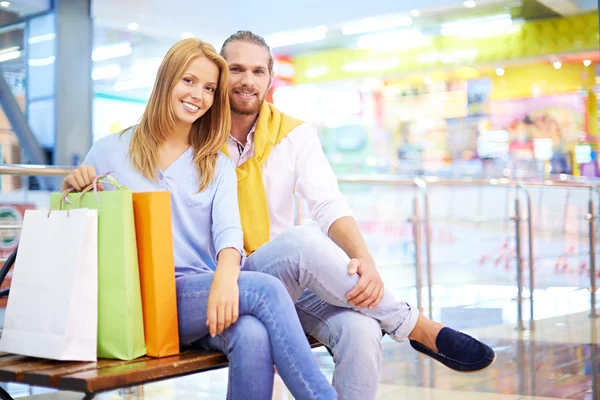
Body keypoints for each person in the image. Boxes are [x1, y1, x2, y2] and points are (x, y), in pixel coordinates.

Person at [219, 31, 496, 399]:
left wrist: (364, 261)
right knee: (300, 242)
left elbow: (328, 203)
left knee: (363, 331)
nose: (247, 80)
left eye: (257, 71)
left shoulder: (293, 135)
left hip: (286, 283)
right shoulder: (200, 134)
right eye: (236, 69)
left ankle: (399, 321)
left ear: (271, 79)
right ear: (220, 75)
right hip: (226, 281)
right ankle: (414, 325)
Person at [63, 38, 336, 400]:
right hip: (136, 301)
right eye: (189, 81)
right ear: (167, 79)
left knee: (252, 335)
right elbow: (76, 223)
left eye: (209, 88)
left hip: (197, 300)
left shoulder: (214, 161)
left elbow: (229, 232)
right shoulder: (110, 150)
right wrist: (73, 183)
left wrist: (226, 279)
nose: (199, 95)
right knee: (267, 289)